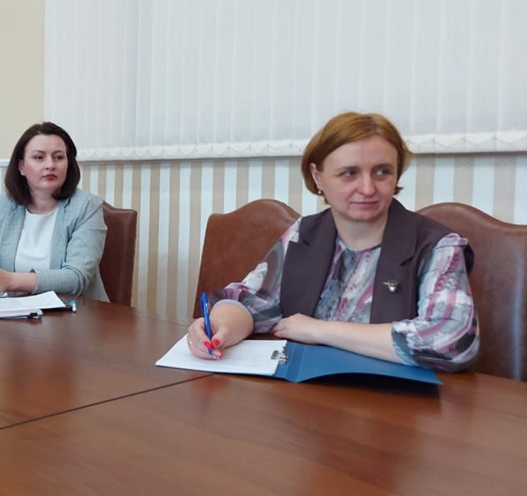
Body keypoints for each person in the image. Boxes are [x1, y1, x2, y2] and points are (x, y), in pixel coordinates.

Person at [186, 112, 478, 372]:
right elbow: (253, 300)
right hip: (306, 399)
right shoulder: (303, 233)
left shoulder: (438, 245)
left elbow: (452, 340)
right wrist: (221, 327)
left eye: (382, 172)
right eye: (350, 173)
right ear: (318, 176)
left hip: (394, 404)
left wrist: (320, 330)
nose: (368, 188)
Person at [0, 122, 109, 300]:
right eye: (39, 157)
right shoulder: (4, 206)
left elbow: (76, 278)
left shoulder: (86, 206)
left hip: (78, 312)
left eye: (58, 157)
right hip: (19, 313)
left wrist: (11, 280)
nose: (50, 165)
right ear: (21, 167)